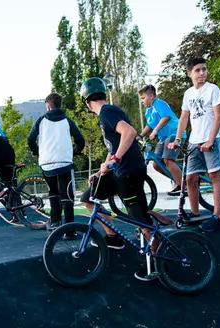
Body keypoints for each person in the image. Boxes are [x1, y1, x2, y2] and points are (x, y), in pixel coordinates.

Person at [78, 78, 157, 281]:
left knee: (141, 221)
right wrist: (100, 171)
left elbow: (129, 133)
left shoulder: (107, 112)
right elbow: (114, 147)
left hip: (129, 171)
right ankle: (113, 237)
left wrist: (114, 160)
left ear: (86, 102)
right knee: (89, 197)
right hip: (120, 171)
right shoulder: (108, 113)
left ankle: (157, 263)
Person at [172, 57, 220, 232]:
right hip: (194, 140)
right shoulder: (188, 94)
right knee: (190, 178)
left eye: (204, 69)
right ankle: (195, 214)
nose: (202, 73)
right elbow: (184, 117)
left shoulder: (213, 90)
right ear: (190, 73)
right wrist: (178, 139)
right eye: (198, 70)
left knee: (214, 176)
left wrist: (211, 139)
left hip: (211, 138)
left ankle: (217, 215)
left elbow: (218, 116)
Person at [27, 92, 85, 231]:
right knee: (67, 194)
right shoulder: (67, 121)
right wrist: (74, 150)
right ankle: (69, 228)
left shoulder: (41, 121)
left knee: (53, 191)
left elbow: (30, 140)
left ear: (48, 106)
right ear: (60, 105)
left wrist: (38, 152)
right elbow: (80, 141)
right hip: (65, 162)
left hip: (46, 163)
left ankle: (55, 222)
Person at [137, 84, 186, 196]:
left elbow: (166, 118)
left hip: (174, 134)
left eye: (143, 98)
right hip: (163, 138)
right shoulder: (148, 111)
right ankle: (179, 179)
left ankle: (182, 185)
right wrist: (140, 135)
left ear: (151, 96)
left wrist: (155, 131)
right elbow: (150, 125)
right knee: (157, 164)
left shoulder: (159, 103)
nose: (142, 101)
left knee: (167, 159)